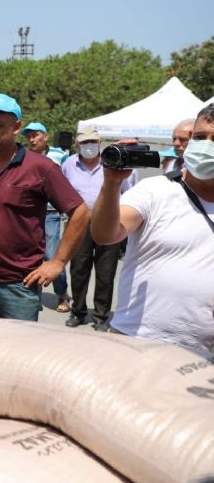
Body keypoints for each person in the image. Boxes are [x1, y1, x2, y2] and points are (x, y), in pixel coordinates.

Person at [91, 106, 214, 353]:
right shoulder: (155, 191)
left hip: (204, 354)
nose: (206, 145)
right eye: (200, 137)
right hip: (138, 343)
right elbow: (105, 234)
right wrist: (112, 183)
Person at [0, 94, 89, 321]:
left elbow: (80, 212)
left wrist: (58, 261)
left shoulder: (41, 168)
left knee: (16, 354)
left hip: (19, 285)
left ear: (16, 127)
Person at [60, 127, 138, 331]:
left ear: (99, 142)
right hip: (80, 223)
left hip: (110, 222)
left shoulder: (115, 162)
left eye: (92, 142)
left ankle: (101, 315)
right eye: (84, 143)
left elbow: (130, 194)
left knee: (106, 271)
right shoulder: (69, 164)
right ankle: (77, 311)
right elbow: (63, 193)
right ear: (77, 144)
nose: (89, 146)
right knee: (78, 269)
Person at [21, 121, 71, 313]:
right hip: (29, 211)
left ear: (46, 136)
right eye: (29, 136)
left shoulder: (60, 156)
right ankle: (34, 296)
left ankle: (62, 294)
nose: (32, 139)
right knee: (31, 256)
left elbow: (69, 181)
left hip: (51, 213)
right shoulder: (23, 156)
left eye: (36, 135)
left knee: (52, 255)